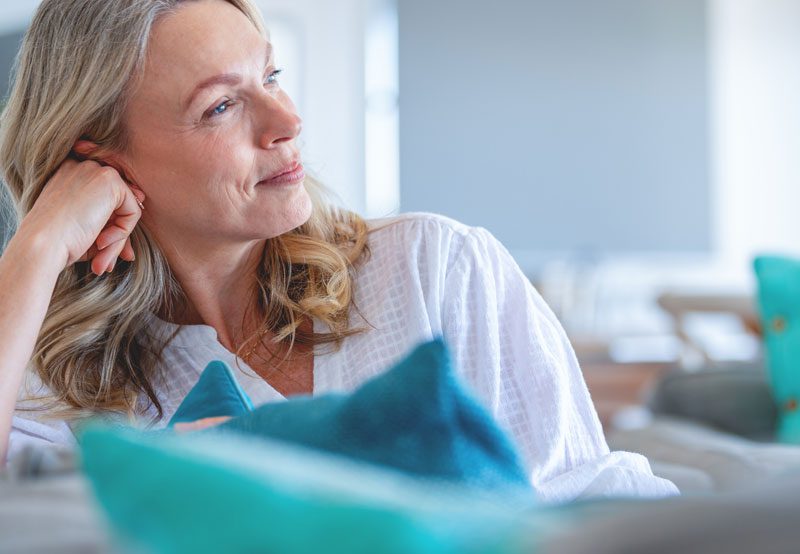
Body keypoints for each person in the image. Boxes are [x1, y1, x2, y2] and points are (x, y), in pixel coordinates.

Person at [0, 0, 676, 503]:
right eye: (221, 107)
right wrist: (34, 251)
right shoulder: (57, 379)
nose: (287, 121)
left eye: (271, 75)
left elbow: (593, 503)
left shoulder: (434, 269)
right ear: (100, 159)